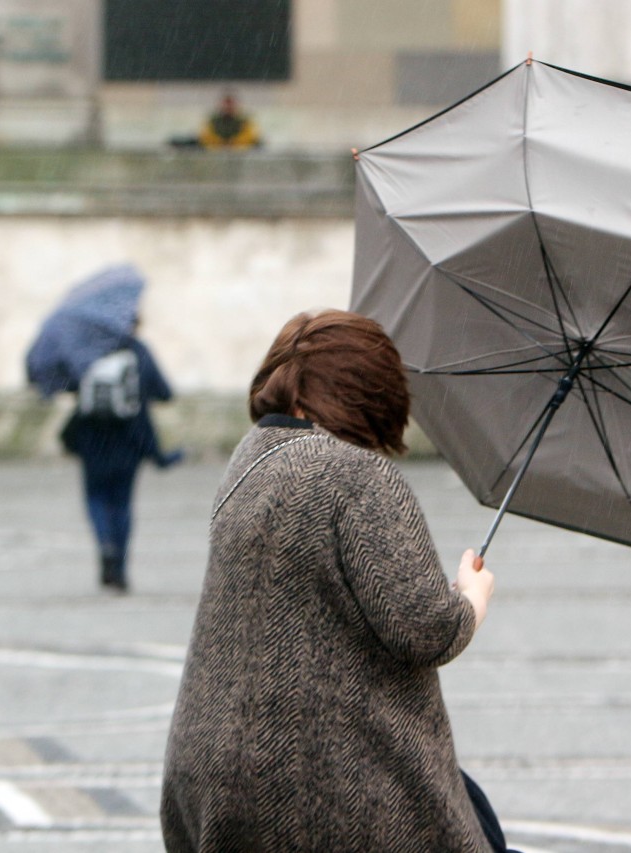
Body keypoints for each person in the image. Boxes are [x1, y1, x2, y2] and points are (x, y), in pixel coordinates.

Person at [160, 310, 506, 852]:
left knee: (471, 802)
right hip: (321, 781)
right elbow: (425, 628)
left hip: (211, 773)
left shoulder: (249, 460)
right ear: (369, 395)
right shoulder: (354, 475)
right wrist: (471, 598)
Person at [59, 321, 183, 593]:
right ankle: (121, 570)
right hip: (129, 440)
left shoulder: (86, 352)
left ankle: (105, 545)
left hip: (92, 441)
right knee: (123, 503)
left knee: (96, 498)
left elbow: (67, 385)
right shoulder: (139, 352)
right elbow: (164, 392)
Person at [197, 92, 262, 150]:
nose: (228, 107)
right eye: (226, 103)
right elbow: (206, 137)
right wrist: (221, 145)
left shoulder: (245, 122)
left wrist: (233, 145)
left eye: (231, 104)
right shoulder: (212, 121)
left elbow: (250, 137)